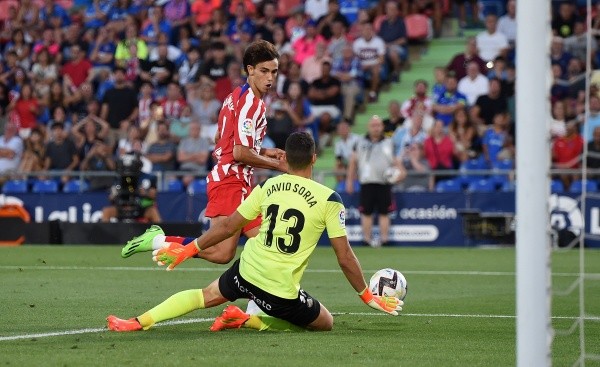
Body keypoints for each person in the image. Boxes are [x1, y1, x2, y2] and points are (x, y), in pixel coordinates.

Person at [106, 132, 403, 333]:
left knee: (202, 295)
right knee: (326, 322)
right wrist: (366, 296)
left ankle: (136, 321)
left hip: (245, 272)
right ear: (314, 159)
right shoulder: (330, 199)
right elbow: (344, 256)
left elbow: (227, 226)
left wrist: (191, 248)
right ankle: (251, 320)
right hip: (278, 291)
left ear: (286, 157)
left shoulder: (267, 186)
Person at [121, 40, 287, 268]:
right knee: (225, 252)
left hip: (235, 181)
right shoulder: (252, 105)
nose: (270, 78)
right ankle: (159, 240)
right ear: (250, 69)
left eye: (274, 72)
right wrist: (278, 166)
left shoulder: (235, 96)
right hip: (231, 181)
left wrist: (265, 150)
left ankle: (255, 304)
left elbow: (222, 138)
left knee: (258, 249)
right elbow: (239, 152)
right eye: (264, 71)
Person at [346, 116, 404, 247]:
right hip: (367, 182)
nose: (376, 128)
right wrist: (349, 181)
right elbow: (353, 162)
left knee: (385, 213)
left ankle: (385, 240)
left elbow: (396, 161)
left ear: (382, 127)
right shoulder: (359, 142)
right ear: (368, 127)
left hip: (384, 182)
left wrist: (401, 172)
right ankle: (366, 240)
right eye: (373, 125)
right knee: (366, 213)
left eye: (378, 125)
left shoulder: (389, 142)